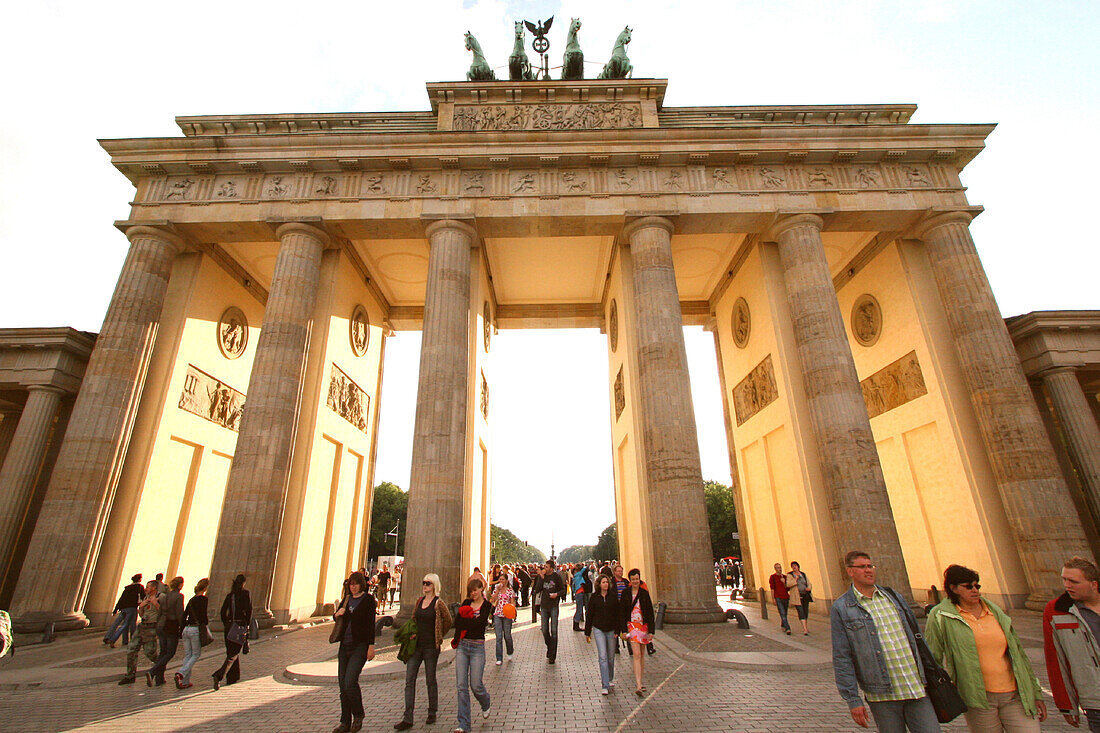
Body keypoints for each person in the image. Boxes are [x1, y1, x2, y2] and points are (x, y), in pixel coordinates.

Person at [925, 564, 1045, 732]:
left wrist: (1036, 693)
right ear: (953, 588)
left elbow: (1019, 655)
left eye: (977, 585)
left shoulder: (995, 611)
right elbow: (933, 656)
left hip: (1015, 694)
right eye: (968, 586)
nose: (975, 590)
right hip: (978, 699)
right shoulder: (940, 616)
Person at [831, 550, 940, 732]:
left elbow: (917, 639)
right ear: (850, 571)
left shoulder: (894, 597)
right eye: (862, 567)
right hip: (882, 694)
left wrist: (934, 671)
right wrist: (852, 699)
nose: (868, 570)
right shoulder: (842, 608)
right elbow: (842, 656)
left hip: (916, 686)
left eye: (870, 566)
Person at [1044, 556, 1100, 731]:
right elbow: (1055, 660)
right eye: (1064, 579)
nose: (1067, 585)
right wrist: (1066, 703)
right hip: (1095, 700)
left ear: (1094, 584)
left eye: (1074, 581)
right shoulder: (1055, 611)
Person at [395, 573, 452, 731]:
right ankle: (408, 717)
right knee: (409, 680)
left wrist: (439, 635)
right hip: (416, 647)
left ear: (434, 585)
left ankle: (432, 711)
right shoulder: (419, 601)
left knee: (430, 680)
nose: (425, 585)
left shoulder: (438, 603)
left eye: (428, 583)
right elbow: (414, 619)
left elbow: (448, 620)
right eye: (424, 583)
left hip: (430, 648)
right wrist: (412, 632)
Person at [331, 571, 377, 733]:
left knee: (350, 682)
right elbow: (337, 616)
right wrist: (337, 614)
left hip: (360, 646)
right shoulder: (347, 599)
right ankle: (345, 722)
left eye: (356, 583)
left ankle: (358, 714)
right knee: (343, 686)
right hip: (344, 646)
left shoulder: (368, 600)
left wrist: (371, 646)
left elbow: (371, 624)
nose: (353, 586)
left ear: (361, 584)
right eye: (351, 584)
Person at [452, 577, 492, 733]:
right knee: (461, 686)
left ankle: (485, 701)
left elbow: (480, 624)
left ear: (481, 589)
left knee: (475, 685)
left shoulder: (487, 605)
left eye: (475, 590)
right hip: (463, 646)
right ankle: (464, 724)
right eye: (470, 591)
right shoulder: (466, 603)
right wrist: (468, 625)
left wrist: (466, 622)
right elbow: (458, 623)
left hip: (477, 647)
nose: (473, 593)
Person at [212, 573, 252, 690]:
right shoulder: (245, 594)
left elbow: (223, 611)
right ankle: (219, 675)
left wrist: (227, 624)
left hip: (229, 626)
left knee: (231, 651)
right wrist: (247, 625)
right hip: (239, 626)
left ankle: (233, 677)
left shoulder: (231, 595)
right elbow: (249, 611)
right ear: (244, 583)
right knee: (234, 653)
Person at [118, 580, 162, 685]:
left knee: (150, 653)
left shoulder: (161, 597)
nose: (146, 589)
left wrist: (155, 603)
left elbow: (163, 612)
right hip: (142, 626)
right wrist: (141, 607)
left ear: (154, 588)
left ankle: (160, 667)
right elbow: (142, 615)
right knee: (131, 649)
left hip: (152, 627)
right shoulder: (145, 598)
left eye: (148, 587)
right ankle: (130, 675)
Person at [619, 568, 654, 697]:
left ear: (640, 579)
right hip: (632, 626)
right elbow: (622, 612)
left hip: (643, 626)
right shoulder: (625, 593)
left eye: (637, 579)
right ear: (630, 580)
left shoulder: (644, 593)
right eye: (633, 579)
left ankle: (641, 681)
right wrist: (623, 630)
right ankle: (638, 684)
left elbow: (650, 612)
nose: (635, 581)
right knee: (637, 654)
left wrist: (651, 631)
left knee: (642, 655)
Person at [585, 574, 621, 695]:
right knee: (603, 657)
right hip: (598, 629)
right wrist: (587, 631)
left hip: (611, 629)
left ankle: (610, 678)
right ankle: (604, 684)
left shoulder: (613, 597)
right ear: (599, 584)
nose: (605, 584)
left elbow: (618, 614)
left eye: (607, 582)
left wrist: (618, 630)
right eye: (603, 582)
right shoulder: (594, 598)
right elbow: (589, 614)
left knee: (611, 657)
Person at [146, 575, 185, 686]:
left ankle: (159, 678)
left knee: (163, 652)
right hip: (171, 625)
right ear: (180, 585)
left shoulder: (165, 596)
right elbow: (179, 613)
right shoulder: (179, 596)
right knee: (170, 652)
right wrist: (182, 626)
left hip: (161, 624)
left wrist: (158, 624)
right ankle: (152, 671)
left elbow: (160, 612)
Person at [176, 577, 209, 689]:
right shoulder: (204, 600)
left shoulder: (191, 600)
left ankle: (185, 682)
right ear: (205, 588)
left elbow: (184, 616)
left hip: (186, 629)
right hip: (195, 629)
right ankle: (181, 673)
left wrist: (181, 631)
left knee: (188, 655)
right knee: (196, 654)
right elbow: (204, 617)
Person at [534, 559, 566, 663]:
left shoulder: (556, 577)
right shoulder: (543, 577)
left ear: (551, 568)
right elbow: (537, 589)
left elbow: (563, 589)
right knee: (544, 630)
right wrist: (541, 578)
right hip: (544, 605)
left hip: (553, 606)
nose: (544, 569)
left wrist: (556, 594)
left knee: (554, 631)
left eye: (546, 567)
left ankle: (552, 655)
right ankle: (550, 647)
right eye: (544, 567)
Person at [103, 573, 143, 648]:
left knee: (118, 623)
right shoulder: (139, 587)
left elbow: (121, 599)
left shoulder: (127, 588)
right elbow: (143, 596)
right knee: (129, 624)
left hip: (123, 608)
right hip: (132, 608)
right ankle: (115, 639)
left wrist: (115, 609)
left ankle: (114, 638)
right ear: (139, 579)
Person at [490, 573, 516, 665]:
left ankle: (510, 651)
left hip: (507, 615)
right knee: (498, 637)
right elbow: (492, 600)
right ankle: (499, 658)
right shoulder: (497, 590)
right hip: (498, 614)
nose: (501, 581)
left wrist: (512, 611)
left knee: (507, 636)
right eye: (500, 580)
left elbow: (513, 603)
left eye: (503, 579)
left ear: (506, 581)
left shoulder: (510, 591)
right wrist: (497, 591)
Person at [787, 561, 813, 635]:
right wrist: (795, 580)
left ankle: (806, 626)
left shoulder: (803, 574)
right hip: (797, 596)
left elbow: (809, 583)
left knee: (805, 611)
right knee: (800, 611)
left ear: (798, 566)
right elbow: (788, 584)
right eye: (793, 566)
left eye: (795, 565)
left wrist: (809, 587)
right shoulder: (790, 575)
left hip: (805, 595)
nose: (794, 567)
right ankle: (805, 629)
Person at [768, 562, 792, 635]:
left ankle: (783, 624)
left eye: (780, 567)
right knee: (782, 612)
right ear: (775, 569)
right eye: (778, 568)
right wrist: (773, 598)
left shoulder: (784, 577)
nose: (780, 569)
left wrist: (784, 582)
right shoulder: (773, 577)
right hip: (778, 597)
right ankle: (788, 628)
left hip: (785, 597)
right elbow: (772, 589)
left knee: (785, 612)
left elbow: (788, 588)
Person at [572, 564, 588, 632]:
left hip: (577, 593)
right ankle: (576, 625)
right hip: (580, 593)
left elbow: (573, 587)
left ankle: (575, 624)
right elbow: (584, 569)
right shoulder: (579, 574)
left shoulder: (575, 576)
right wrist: (584, 565)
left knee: (578, 609)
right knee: (579, 609)